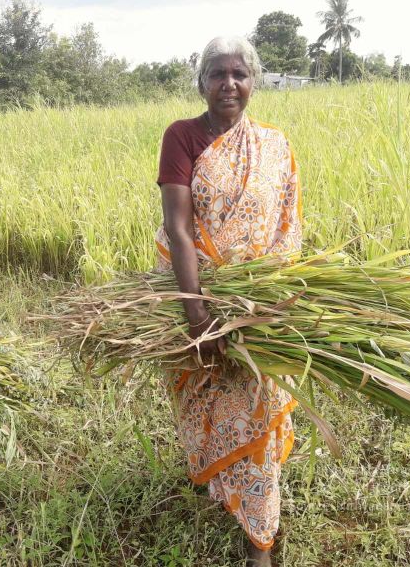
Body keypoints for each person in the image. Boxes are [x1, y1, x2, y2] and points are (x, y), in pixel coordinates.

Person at [155, 36, 303, 567]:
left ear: (253, 82)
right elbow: (178, 228)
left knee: (256, 406)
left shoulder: (274, 145)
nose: (229, 84)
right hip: (197, 294)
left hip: (255, 306)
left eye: (240, 74)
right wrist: (196, 312)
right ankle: (224, 487)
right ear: (202, 82)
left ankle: (259, 539)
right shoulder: (182, 136)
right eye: (218, 74)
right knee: (207, 402)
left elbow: (286, 227)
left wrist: (271, 303)